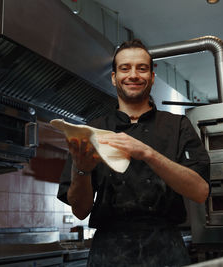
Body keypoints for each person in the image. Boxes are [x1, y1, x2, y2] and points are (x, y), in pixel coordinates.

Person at [57, 39, 210, 267]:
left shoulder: (178, 126)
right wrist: (81, 171)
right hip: (109, 251)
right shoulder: (92, 131)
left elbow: (199, 192)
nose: (133, 75)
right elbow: (80, 211)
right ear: (113, 77)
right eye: (125, 68)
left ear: (152, 77)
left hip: (166, 248)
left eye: (142, 68)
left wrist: (148, 153)